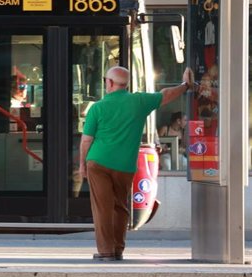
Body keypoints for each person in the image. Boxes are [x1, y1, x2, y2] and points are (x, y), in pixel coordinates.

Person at [79, 65, 194, 261]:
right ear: (126, 84)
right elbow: (165, 95)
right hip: (124, 166)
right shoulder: (139, 101)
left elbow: (87, 140)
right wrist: (185, 85)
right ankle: (117, 250)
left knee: (102, 208)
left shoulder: (97, 107)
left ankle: (105, 251)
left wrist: (82, 164)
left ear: (109, 83)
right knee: (121, 207)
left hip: (98, 163)